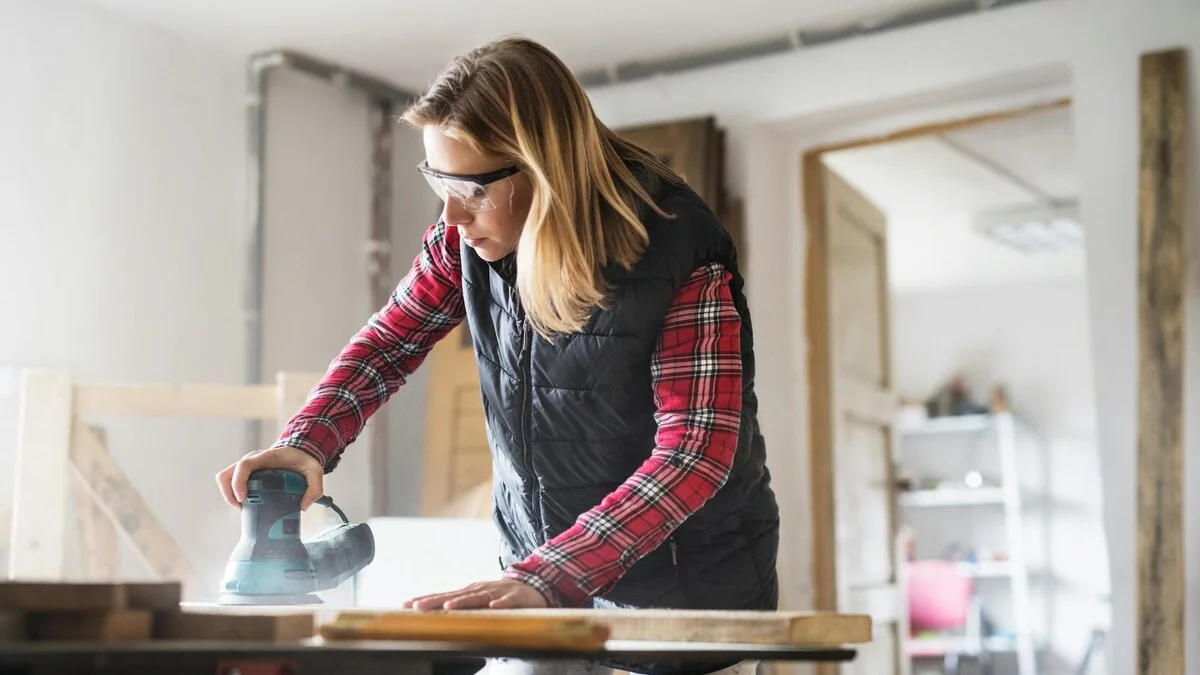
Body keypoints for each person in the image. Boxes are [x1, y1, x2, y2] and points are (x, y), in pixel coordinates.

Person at [215, 36, 779, 675]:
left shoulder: (678, 253)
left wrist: (548, 576)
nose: (450, 215)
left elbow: (695, 454)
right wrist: (305, 444)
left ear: (545, 170)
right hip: (544, 587)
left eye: (473, 188)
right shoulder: (465, 237)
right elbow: (389, 340)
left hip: (685, 606)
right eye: (438, 181)